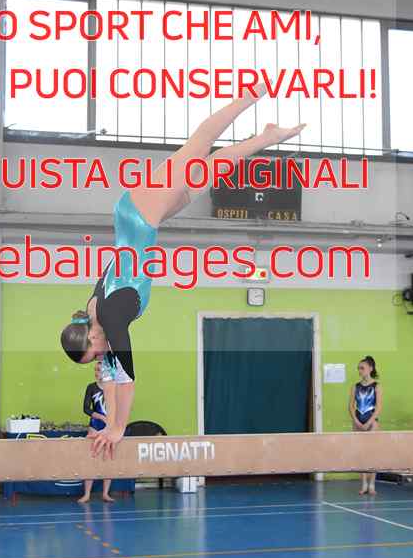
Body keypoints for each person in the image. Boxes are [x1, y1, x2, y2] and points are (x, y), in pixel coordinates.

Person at [61, 85, 306, 459]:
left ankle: (249, 96)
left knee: (198, 146)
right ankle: (266, 137)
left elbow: (126, 381)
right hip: (139, 220)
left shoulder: (110, 318)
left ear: (92, 337)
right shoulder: (96, 312)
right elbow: (111, 379)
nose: (98, 358)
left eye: (93, 354)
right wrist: (109, 421)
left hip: (140, 213)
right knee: (209, 169)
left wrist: (119, 428)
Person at [349, 355, 383, 496]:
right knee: (360, 453)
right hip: (358, 421)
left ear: (370, 368)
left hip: (372, 422)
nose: (359, 371)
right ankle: (363, 484)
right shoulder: (355, 387)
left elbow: (379, 407)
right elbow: (351, 406)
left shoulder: (377, 386)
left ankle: (372, 484)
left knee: (372, 453)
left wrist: (369, 422)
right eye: (358, 368)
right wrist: (356, 421)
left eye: (362, 368)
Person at [78, 380, 114, 503]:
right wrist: (101, 417)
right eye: (95, 370)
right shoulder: (92, 387)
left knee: (108, 457)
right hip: (95, 424)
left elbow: (120, 406)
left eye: (99, 370)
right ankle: (87, 494)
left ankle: (105, 493)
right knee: (91, 459)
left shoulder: (114, 386)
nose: (97, 372)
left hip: (110, 425)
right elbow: (86, 409)